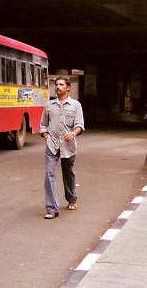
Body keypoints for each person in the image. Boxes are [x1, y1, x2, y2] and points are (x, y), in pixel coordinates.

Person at [40, 76, 85, 219]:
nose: (58, 87)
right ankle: (52, 208)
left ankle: (71, 198)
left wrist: (73, 133)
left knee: (68, 173)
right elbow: (42, 124)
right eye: (56, 84)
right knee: (49, 174)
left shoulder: (76, 105)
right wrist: (46, 136)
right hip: (52, 145)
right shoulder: (49, 105)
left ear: (68, 87)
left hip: (68, 146)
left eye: (61, 84)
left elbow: (80, 125)